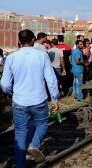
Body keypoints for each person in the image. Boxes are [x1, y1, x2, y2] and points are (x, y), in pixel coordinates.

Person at [0, 29, 59, 166]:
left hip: (19, 101)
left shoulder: (11, 57)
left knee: (20, 133)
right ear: (33, 40)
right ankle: (33, 144)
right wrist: (55, 99)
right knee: (42, 124)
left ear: (19, 42)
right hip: (39, 99)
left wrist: (11, 93)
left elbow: (4, 84)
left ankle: (20, 165)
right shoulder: (42, 55)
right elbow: (51, 79)